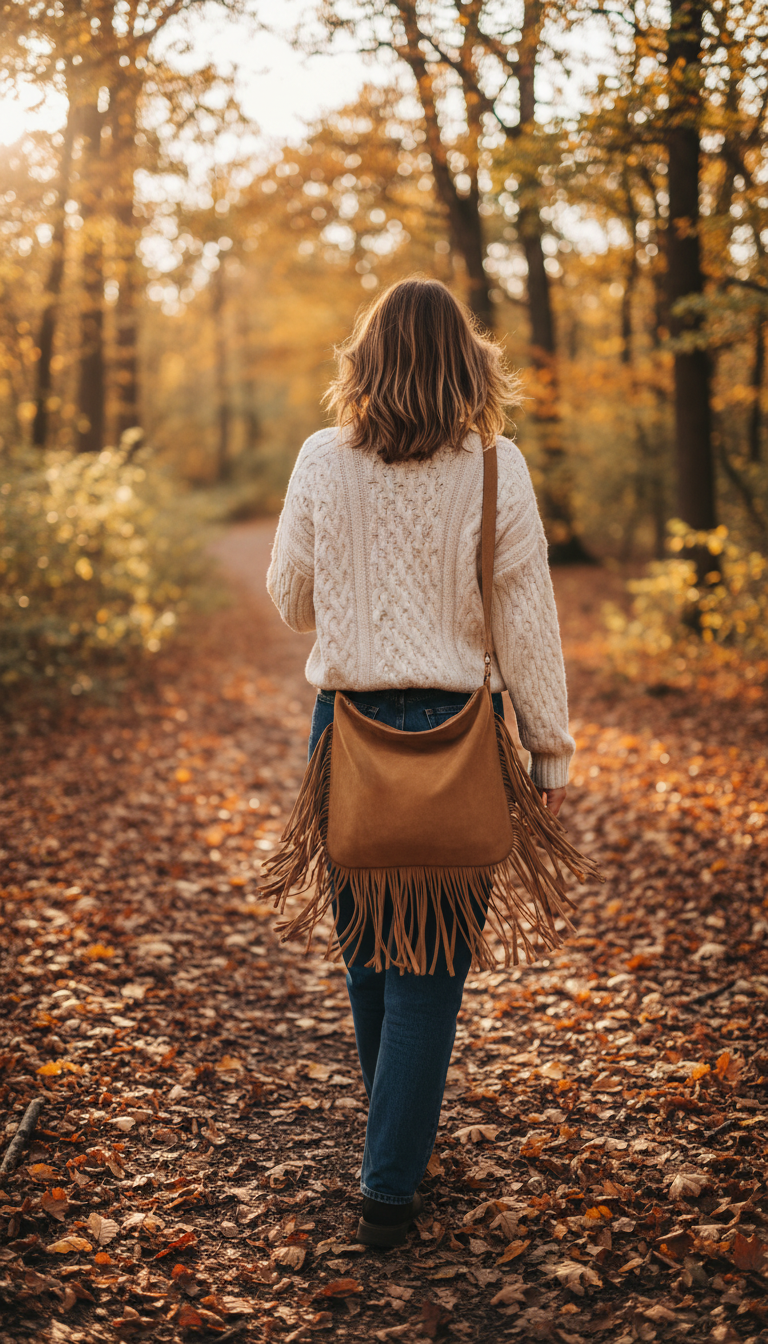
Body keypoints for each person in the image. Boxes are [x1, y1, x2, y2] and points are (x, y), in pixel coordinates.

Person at [266, 277, 575, 1247]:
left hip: (349, 736)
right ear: (466, 363)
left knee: (370, 961)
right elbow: (527, 620)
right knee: (427, 970)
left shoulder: (322, 459)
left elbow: (290, 601)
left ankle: (391, 1159)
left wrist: (353, 566)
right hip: (457, 738)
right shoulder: (497, 467)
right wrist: (548, 749)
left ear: (365, 361)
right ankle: (391, 1181)